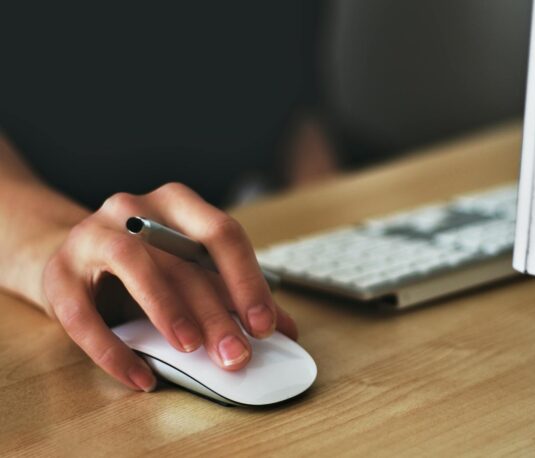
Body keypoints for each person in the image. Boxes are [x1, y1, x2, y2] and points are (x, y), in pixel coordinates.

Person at [0, 3, 335, 392]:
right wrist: (57, 245)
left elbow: (300, 106)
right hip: (55, 218)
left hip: (214, 246)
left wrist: (330, 231)